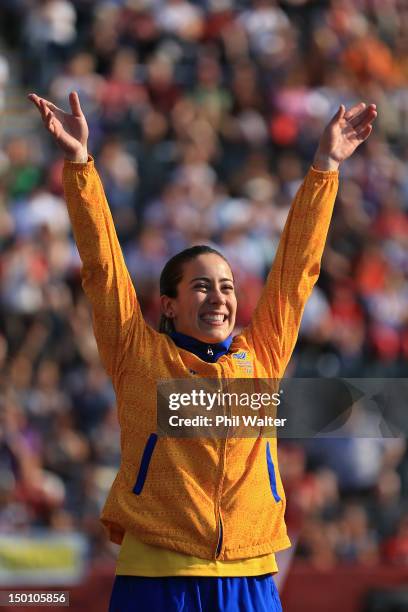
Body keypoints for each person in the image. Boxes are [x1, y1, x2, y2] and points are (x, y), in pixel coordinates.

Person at [28, 90, 376, 611]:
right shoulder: (137, 355)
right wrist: (80, 167)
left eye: (228, 286)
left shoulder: (263, 356)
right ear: (167, 304)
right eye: (202, 286)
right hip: (157, 578)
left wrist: (325, 168)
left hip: (251, 576)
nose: (219, 298)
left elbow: (296, 273)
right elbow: (103, 270)